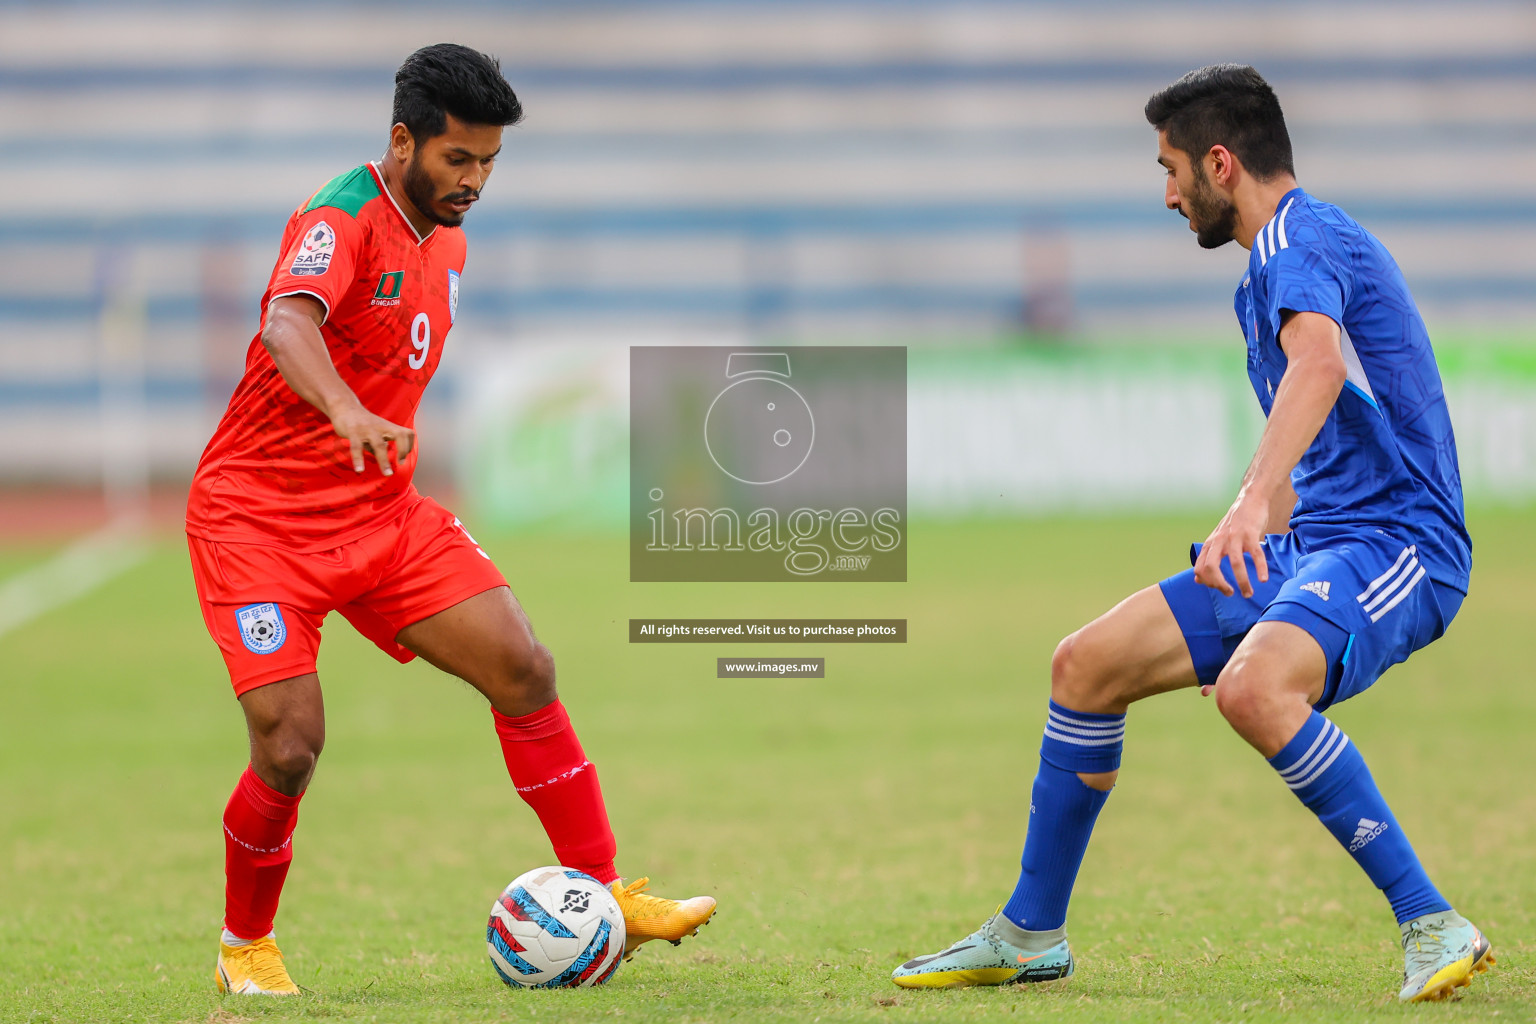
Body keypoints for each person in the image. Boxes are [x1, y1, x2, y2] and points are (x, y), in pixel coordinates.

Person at [891, 64, 1493, 1004]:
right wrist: (1265, 518)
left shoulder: (1302, 236)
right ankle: (1029, 932)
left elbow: (1323, 365)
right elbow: (1328, 427)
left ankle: (1431, 920)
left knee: (1255, 690)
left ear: (1221, 161)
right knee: (1086, 666)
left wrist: (1250, 499)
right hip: (1321, 540)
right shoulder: (1269, 273)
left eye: (1172, 169)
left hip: (1400, 546)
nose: (1168, 193)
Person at [187, 43, 715, 997]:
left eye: (488, 165)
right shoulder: (339, 216)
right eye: (457, 161)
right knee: (290, 743)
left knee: (524, 666)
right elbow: (287, 323)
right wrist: (345, 409)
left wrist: (366, 439)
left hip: (381, 514)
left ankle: (604, 892)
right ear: (402, 141)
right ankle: (244, 948)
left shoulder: (451, 239)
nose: (474, 182)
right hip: (257, 525)